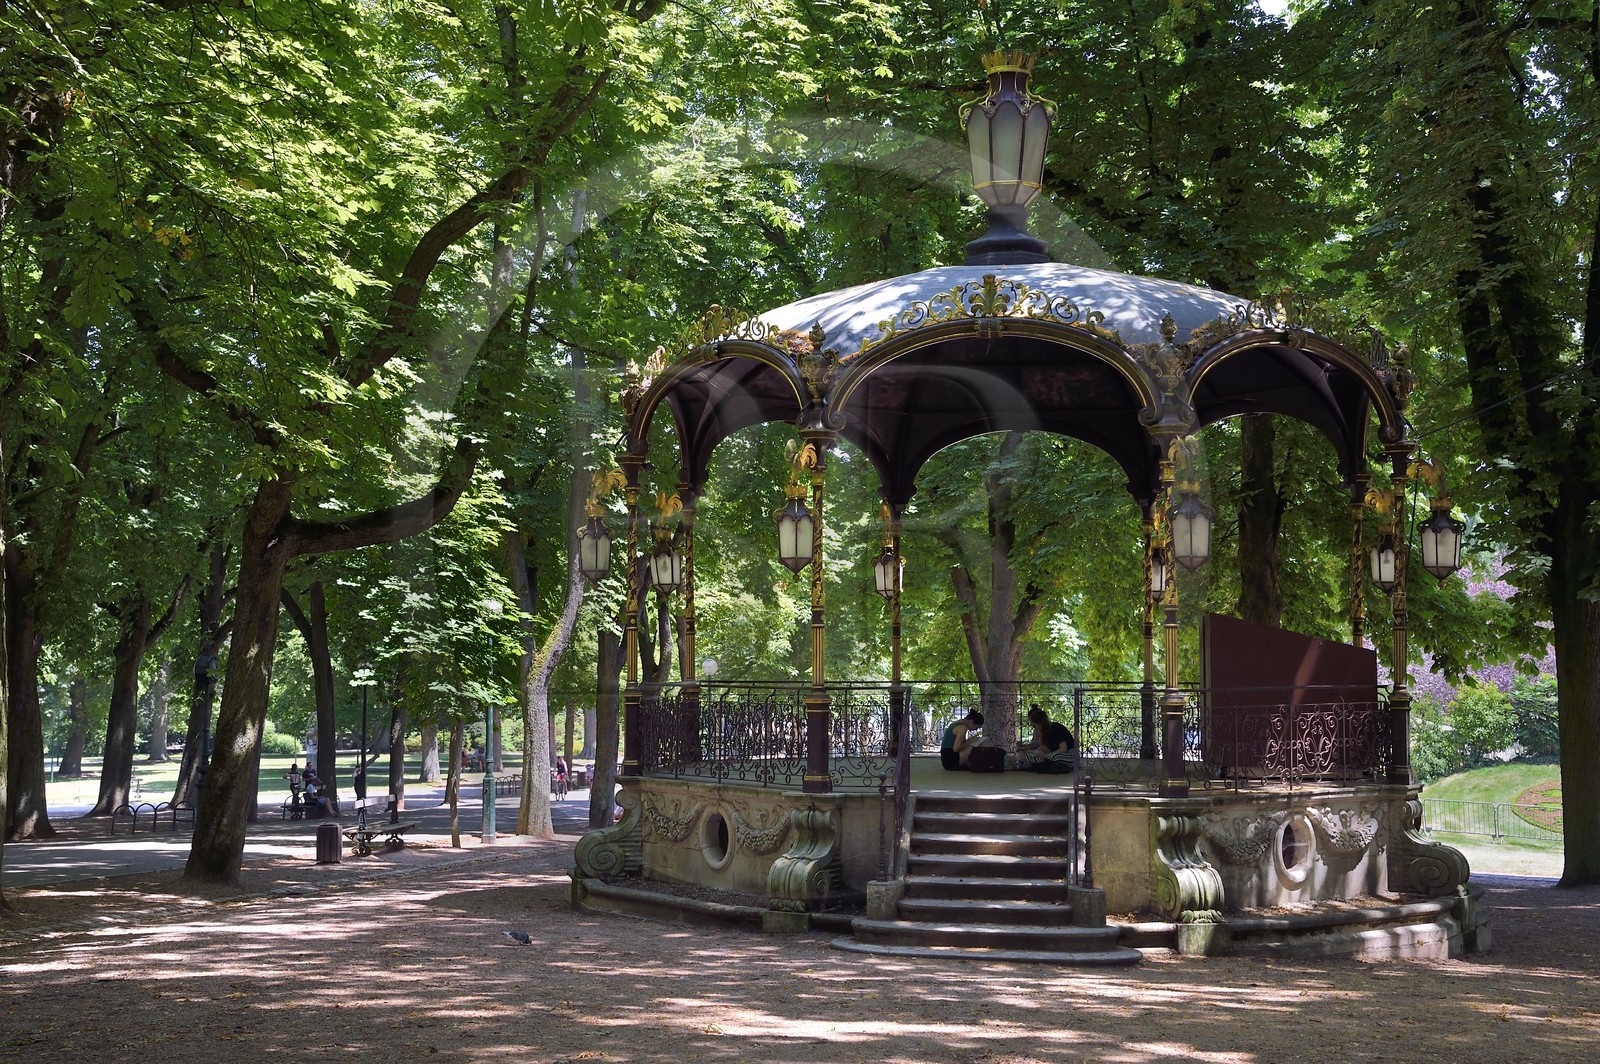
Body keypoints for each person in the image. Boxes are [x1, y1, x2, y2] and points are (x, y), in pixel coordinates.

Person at [1020, 704, 1076, 774]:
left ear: (1039, 723)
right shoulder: (1042, 731)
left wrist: (1047, 755)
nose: (1033, 727)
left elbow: (1063, 749)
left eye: (1034, 725)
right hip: (1051, 756)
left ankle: (1043, 763)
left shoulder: (1057, 728)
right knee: (1033, 756)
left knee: (1054, 757)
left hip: (1068, 754)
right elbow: (1044, 748)